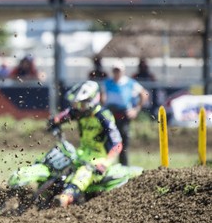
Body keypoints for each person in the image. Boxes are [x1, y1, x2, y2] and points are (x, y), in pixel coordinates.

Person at [48, 80, 123, 208]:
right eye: (77, 104)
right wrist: (54, 122)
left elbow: (117, 144)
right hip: (81, 154)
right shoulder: (80, 111)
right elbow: (62, 116)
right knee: (57, 160)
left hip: (98, 159)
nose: (78, 107)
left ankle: (66, 197)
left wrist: (104, 164)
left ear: (92, 101)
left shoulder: (103, 116)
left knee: (84, 171)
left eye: (82, 104)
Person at [101, 59, 149, 166]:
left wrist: (136, 109)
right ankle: (105, 166)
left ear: (123, 71)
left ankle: (124, 166)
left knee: (123, 142)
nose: (116, 73)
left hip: (123, 115)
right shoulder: (107, 83)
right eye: (115, 70)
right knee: (107, 141)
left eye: (118, 70)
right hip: (110, 115)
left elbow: (144, 94)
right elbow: (103, 98)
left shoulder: (130, 83)